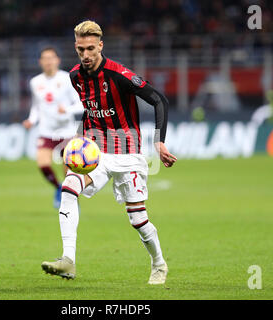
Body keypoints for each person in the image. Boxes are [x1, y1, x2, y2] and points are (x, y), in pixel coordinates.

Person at [41, 21, 177, 285]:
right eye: (81, 49)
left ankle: (159, 263)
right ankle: (68, 260)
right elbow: (90, 108)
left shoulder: (119, 75)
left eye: (91, 48)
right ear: (76, 47)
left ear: (101, 45)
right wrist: (81, 137)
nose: (86, 55)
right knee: (69, 188)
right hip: (97, 152)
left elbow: (159, 99)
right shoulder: (74, 77)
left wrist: (159, 141)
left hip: (129, 154)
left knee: (138, 218)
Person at [23, 47, 84, 208]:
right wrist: (31, 120)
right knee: (43, 164)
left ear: (57, 60)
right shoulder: (35, 82)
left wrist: (67, 110)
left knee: (68, 170)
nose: (48, 61)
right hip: (46, 131)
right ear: (40, 62)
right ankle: (58, 187)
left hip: (67, 131)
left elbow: (81, 104)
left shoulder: (67, 79)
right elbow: (36, 106)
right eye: (45, 58)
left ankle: (70, 197)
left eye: (51, 58)